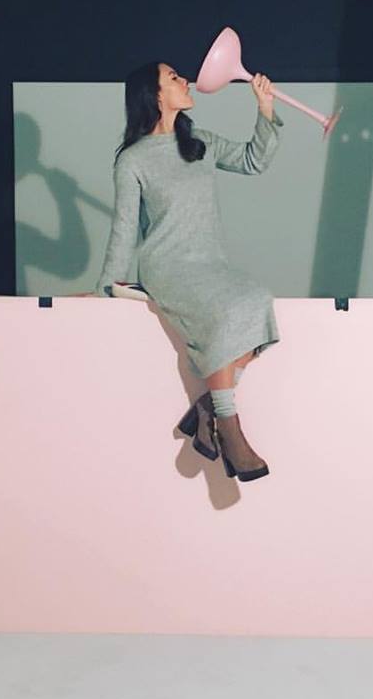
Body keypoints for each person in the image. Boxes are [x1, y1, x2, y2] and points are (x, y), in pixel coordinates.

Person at [95, 60, 283, 482]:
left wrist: (265, 109)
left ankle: (206, 409)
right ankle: (230, 430)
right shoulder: (132, 161)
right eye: (174, 78)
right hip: (168, 266)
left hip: (211, 263)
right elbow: (124, 227)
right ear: (155, 94)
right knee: (226, 316)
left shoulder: (200, 142)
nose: (186, 81)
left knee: (257, 301)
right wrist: (106, 286)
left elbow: (254, 161)